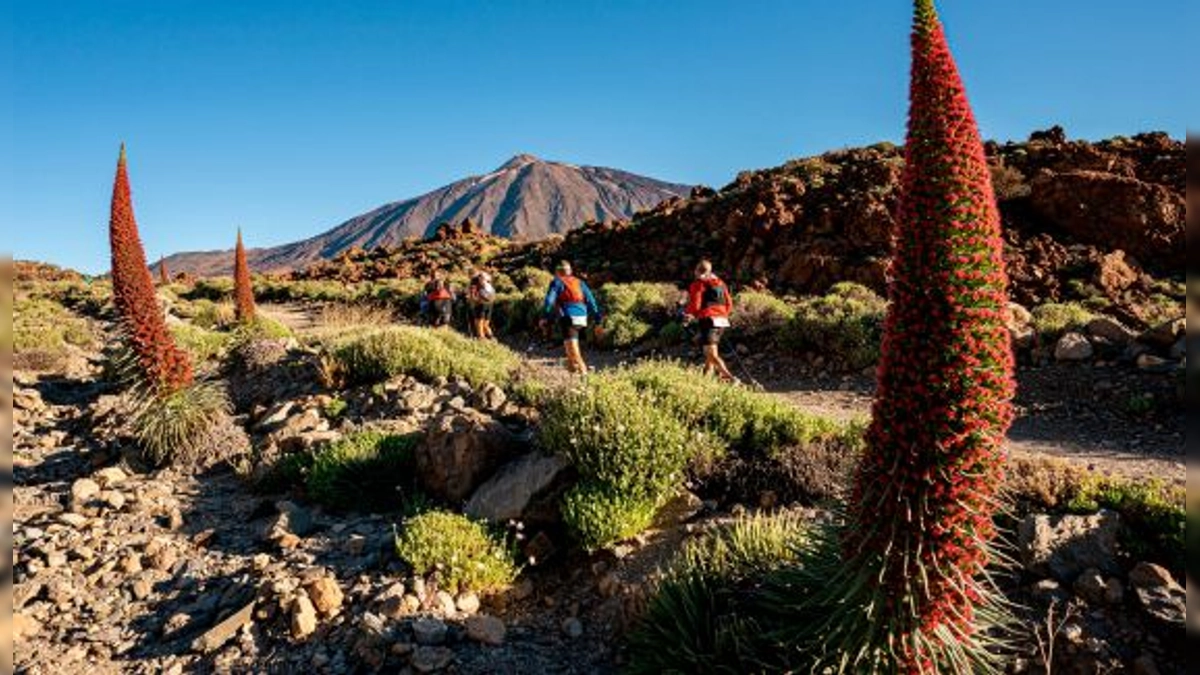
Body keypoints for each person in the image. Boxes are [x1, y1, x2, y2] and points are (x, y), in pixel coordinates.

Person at [540, 261, 603, 374]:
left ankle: (586, 380)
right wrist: (598, 320)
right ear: (570, 271)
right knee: (570, 354)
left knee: (574, 355)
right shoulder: (580, 282)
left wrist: (545, 317)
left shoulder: (557, 282)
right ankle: (572, 382)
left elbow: (549, 301)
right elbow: (592, 301)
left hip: (569, 319)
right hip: (582, 318)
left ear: (557, 272)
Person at [683, 259, 736, 382]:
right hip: (722, 320)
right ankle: (705, 380)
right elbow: (729, 303)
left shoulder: (698, 284)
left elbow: (695, 304)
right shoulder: (721, 283)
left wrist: (689, 315)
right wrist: (722, 314)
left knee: (711, 355)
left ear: (697, 271)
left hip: (708, 320)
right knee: (710, 353)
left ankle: (731, 378)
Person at [467, 271, 496, 339]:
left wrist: (472, 299)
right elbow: (493, 296)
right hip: (490, 305)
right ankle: (492, 338)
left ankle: (481, 339)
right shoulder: (489, 284)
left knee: (479, 323)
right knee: (485, 325)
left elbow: (473, 297)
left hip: (480, 305)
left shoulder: (474, 283)